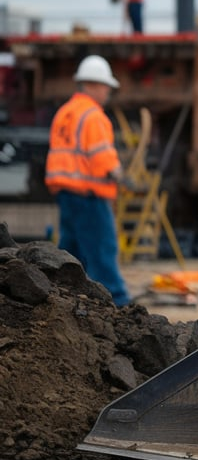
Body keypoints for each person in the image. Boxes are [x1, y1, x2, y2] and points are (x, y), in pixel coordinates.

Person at [45, 55, 132, 306]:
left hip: (66, 191)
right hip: (89, 193)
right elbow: (101, 156)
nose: (108, 92)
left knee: (71, 252)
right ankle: (120, 303)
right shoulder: (93, 115)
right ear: (93, 85)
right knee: (102, 249)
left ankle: (60, 299)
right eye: (106, 86)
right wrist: (119, 174)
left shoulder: (65, 112)